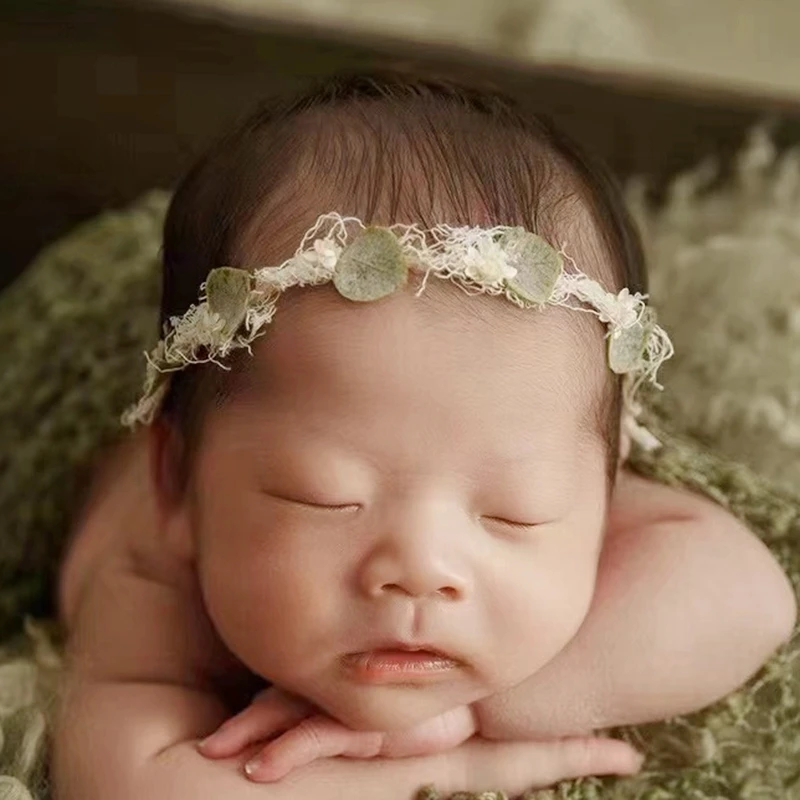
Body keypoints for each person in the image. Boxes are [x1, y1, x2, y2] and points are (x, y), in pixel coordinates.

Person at [52, 72, 797, 800]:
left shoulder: (518, 438)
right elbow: (128, 781)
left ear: (605, 488)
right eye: (326, 499)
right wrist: (461, 771)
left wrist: (472, 712)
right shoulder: (151, 575)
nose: (422, 570)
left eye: (515, 513)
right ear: (178, 482)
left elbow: (752, 599)